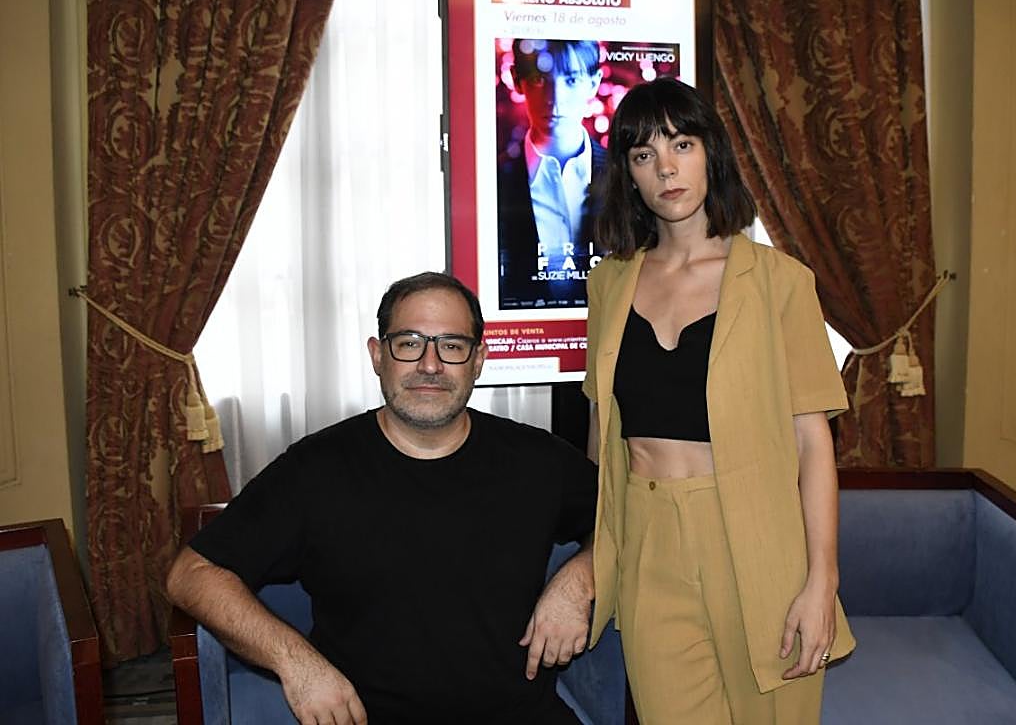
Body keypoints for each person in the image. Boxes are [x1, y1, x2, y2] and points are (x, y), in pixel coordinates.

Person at [166, 272, 598, 725]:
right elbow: (191, 574)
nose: (430, 365)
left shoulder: (538, 460)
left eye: (451, 345)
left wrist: (581, 577)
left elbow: (627, 523)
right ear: (378, 355)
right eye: (409, 343)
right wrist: (297, 662)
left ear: (478, 359)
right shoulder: (315, 470)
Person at [582, 77, 855, 723]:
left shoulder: (780, 283)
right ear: (629, 174)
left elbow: (813, 443)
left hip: (759, 545)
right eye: (644, 155)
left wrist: (823, 581)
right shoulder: (607, 285)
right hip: (649, 548)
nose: (666, 168)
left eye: (682, 144)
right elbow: (602, 440)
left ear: (713, 154)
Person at [496, 38, 606, 309]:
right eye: (538, 79)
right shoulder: (494, 182)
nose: (554, 99)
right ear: (517, 80)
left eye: (570, 80)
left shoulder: (629, 177)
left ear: (594, 83)